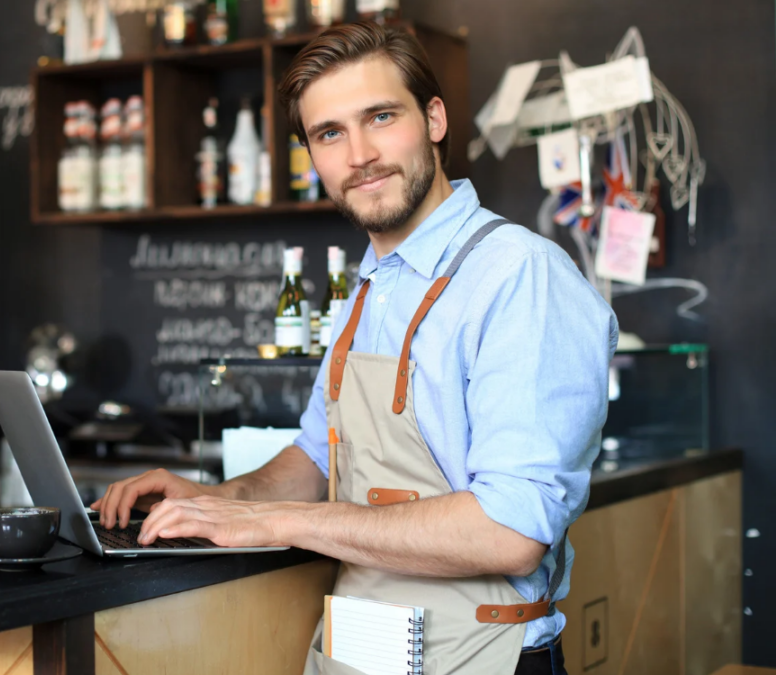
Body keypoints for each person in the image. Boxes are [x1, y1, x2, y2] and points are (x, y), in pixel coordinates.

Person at [92, 21, 617, 675]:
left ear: (433, 118)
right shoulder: (368, 289)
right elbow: (315, 458)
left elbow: (510, 531)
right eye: (329, 133)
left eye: (380, 116)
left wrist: (281, 521)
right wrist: (215, 499)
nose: (359, 153)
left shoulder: (519, 275)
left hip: (482, 658)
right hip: (356, 655)